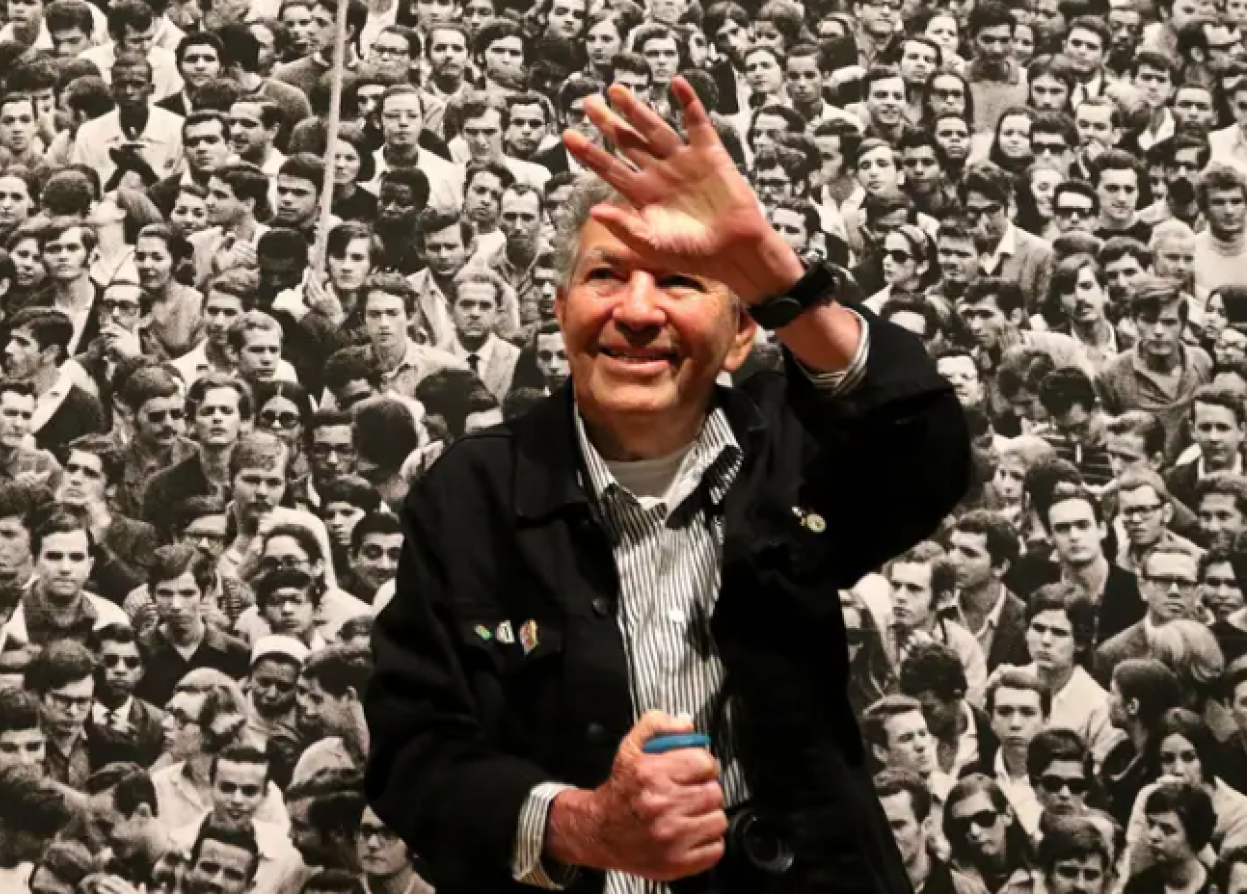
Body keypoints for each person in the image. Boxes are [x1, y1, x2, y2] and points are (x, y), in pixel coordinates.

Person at [367, 78, 972, 892]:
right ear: (561, 310)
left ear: (740, 333)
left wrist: (768, 264)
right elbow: (416, 750)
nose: (639, 311)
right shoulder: (469, 492)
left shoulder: (791, 452)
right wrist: (581, 825)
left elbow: (928, 452)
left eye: (682, 280)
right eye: (607, 276)